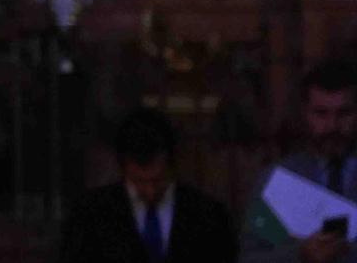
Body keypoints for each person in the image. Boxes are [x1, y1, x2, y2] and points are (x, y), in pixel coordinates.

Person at [57, 107, 236, 263]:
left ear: (173, 167)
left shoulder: (209, 216)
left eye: (158, 181)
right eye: (139, 182)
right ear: (123, 169)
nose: (150, 191)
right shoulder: (90, 216)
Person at [243, 59, 357, 263]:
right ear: (305, 113)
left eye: (344, 113)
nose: (333, 126)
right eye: (321, 114)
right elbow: (251, 257)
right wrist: (300, 254)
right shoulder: (278, 180)